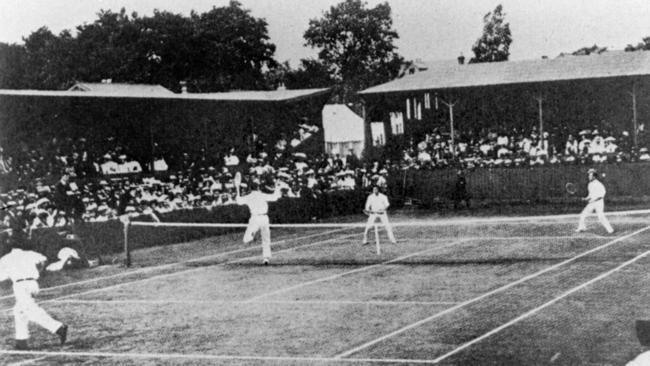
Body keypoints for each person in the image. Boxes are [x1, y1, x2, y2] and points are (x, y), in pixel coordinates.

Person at [0, 240, 68, 350]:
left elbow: (2, 276)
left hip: (20, 285)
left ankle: (58, 328)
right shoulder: (30, 253)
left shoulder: (5, 258)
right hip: (33, 283)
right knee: (19, 311)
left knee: (31, 311)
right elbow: (44, 260)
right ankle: (21, 341)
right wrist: (37, 270)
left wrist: (12, 273)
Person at [236, 181, 281, 265]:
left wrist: (238, 192)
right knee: (266, 239)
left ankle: (252, 235)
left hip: (255, 218)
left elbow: (238, 201)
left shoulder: (248, 196)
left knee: (246, 239)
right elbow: (275, 197)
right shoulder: (262, 195)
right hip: (264, 218)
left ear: (250, 188)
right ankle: (266, 258)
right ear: (258, 188)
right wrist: (277, 187)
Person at [576, 168, 614, 234]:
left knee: (601, 217)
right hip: (592, 203)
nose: (588, 177)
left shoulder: (599, 184)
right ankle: (581, 227)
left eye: (590, 175)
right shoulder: (590, 184)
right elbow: (590, 195)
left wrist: (594, 200)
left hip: (599, 203)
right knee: (583, 215)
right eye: (588, 175)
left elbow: (602, 194)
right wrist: (586, 198)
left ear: (594, 176)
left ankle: (610, 230)